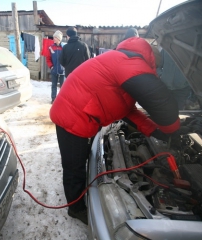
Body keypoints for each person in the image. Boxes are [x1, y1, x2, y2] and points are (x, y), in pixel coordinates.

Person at [50, 37, 181, 225]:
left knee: (82, 159)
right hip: (72, 117)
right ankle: (76, 208)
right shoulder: (130, 63)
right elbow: (159, 100)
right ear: (152, 61)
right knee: (74, 167)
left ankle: (81, 192)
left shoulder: (122, 61)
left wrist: (155, 131)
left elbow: (128, 110)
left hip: (85, 115)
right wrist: (172, 128)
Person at [45, 30, 65, 104]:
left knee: (63, 87)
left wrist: (64, 67)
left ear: (59, 39)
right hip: (54, 70)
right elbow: (48, 58)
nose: (53, 39)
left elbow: (66, 58)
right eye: (53, 37)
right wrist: (51, 67)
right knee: (54, 85)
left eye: (55, 37)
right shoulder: (51, 47)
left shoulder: (64, 48)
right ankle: (53, 99)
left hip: (62, 70)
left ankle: (62, 100)